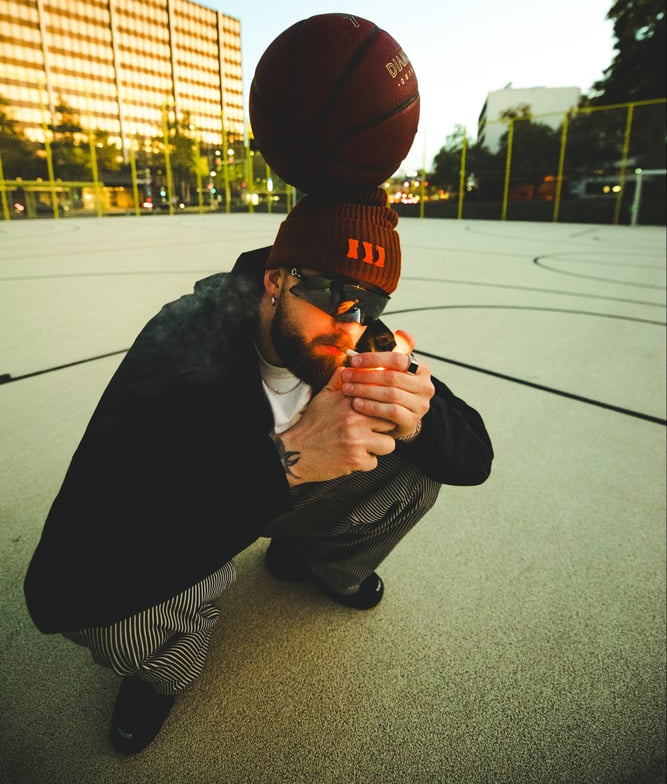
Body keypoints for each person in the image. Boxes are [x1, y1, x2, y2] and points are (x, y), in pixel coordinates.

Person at [24, 188, 493, 755]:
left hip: (275, 499)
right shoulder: (185, 342)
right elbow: (65, 579)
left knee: (416, 471)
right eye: (333, 293)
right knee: (111, 622)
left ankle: (312, 560)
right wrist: (290, 458)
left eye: (370, 302)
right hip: (197, 510)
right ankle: (163, 670)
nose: (351, 322)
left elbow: (475, 459)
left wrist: (417, 420)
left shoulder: (364, 343)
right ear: (276, 281)